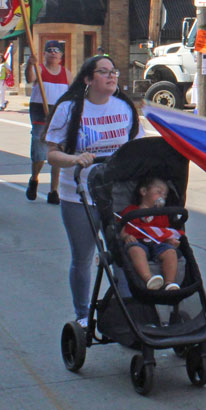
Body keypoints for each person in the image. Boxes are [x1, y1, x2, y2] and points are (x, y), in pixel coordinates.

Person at [45, 55, 143, 327]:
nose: (112, 76)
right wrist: (75, 159)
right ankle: (83, 313)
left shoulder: (124, 107)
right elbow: (52, 154)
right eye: (104, 72)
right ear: (88, 79)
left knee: (124, 254)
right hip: (79, 195)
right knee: (83, 258)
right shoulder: (69, 109)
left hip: (117, 195)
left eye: (114, 72)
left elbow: (137, 147)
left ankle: (128, 314)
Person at [25, 40, 73, 204]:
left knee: (57, 155)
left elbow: (72, 96)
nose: (53, 53)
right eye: (50, 50)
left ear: (61, 55)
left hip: (58, 118)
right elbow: (29, 78)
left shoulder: (66, 74)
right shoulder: (39, 70)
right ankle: (34, 178)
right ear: (44, 54)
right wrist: (29, 65)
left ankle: (54, 191)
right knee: (39, 154)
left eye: (56, 50)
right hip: (40, 116)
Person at [120, 176, 180, 291]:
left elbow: (165, 232)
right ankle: (149, 279)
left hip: (158, 244)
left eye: (165, 195)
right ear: (143, 191)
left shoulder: (162, 214)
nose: (162, 197)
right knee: (135, 250)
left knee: (171, 252)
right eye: (159, 192)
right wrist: (126, 236)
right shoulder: (131, 210)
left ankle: (169, 283)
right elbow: (122, 229)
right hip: (138, 242)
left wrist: (170, 240)